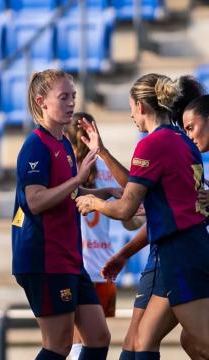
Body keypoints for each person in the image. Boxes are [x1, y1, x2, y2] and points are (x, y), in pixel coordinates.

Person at [77, 74, 209, 360]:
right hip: (179, 249)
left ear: (140, 106)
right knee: (141, 341)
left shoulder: (152, 144)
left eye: (131, 107)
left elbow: (126, 207)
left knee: (198, 342)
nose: (131, 115)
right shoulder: (181, 140)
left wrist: (92, 203)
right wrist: (102, 152)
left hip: (180, 252)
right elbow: (139, 188)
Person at [11, 69, 111, 360]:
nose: (71, 103)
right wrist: (78, 179)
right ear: (42, 101)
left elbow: (70, 195)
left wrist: (107, 195)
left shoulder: (64, 142)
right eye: (63, 97)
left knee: (98, 337)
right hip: (44, 258)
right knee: (58, 345)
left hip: (68, 257)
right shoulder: (35, 145)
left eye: (73, 97)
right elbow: (36, 201)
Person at [65, 112, 145, 359]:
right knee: (96, 340)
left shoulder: (66, 170)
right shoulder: (108, 169)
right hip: (102, 266)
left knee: (70, 341)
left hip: (75, 263)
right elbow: (133, 221)